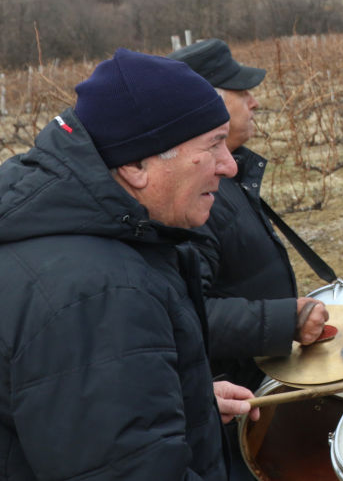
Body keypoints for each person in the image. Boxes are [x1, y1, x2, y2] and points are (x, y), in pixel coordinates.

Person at [0, 48, 256, 479]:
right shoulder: (100, 293)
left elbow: (79, 413)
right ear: (138, 164)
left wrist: (181, 398)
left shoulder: (72, 237)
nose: (229, 165)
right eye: (213, 144)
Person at [170, 37, 329, 478]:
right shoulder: (194, 197)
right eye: (242, 93)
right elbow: (187, 316)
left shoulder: (226, 175)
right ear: (209, 102)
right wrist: (285, 321)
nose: (254, 101)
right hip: (233, 413)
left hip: (253, 387)